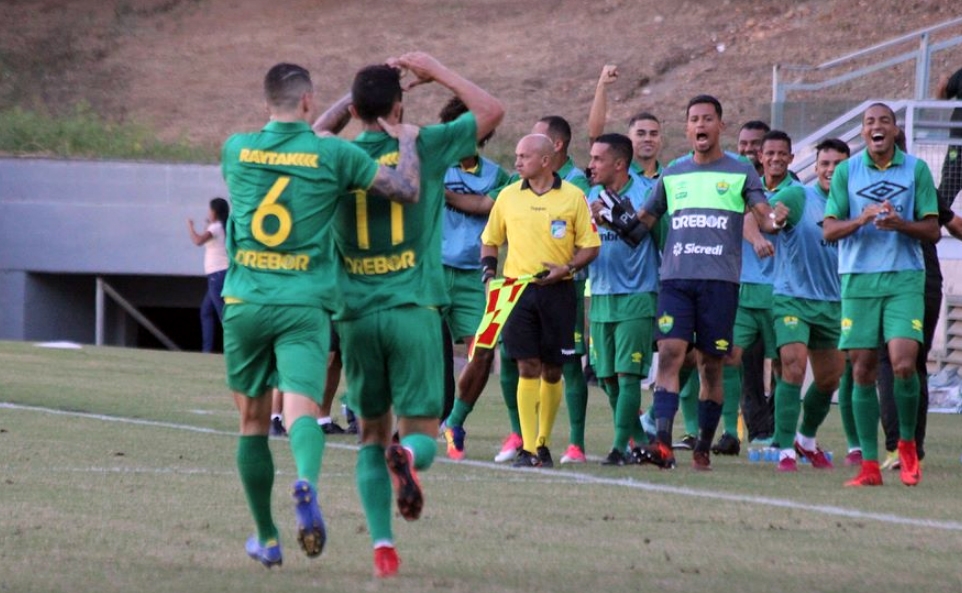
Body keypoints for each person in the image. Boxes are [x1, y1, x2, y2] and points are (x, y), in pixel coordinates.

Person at [220, 62, 421, 569]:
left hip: (245, 300)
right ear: (308, 100)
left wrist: (341, 109)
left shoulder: (236, 149)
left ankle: (267, 536)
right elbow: (403, 188)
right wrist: (411, 141)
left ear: (267, 99)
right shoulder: (332, 154)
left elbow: (300, 137)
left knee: (251, 421)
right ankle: (305, 478)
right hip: (303, 303)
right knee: (301, 408)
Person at [315, 53, 503, 577]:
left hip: (355, 316)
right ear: (400, 105)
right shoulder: (424, 143)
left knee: (370, 437)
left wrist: (356, 103)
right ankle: (411, 461)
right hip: (414, 308)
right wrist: (434, 71)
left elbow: (315, 129)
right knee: (420, 431)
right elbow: (491, 109)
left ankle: (382, 548)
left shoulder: (333, 152)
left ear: (355, 107)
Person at [632, 94, 788, 471]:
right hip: (676, 280)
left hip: (720, 283)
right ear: (686, 129)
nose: (700, 125)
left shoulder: (740, 172)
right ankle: (663, 444)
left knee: (711, 365)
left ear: (720, 126)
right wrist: (608, 220)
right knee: (670, 353)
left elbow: (764, 217)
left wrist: (776, 219)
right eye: (693, 120)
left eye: (707, 119)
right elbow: (642, 225)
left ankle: (703, 446)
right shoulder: (673, 173)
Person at [822, 102, 939, 487]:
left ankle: (906, 445)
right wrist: (861, 218)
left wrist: (899, 224)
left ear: (893, 130)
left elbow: (932, 230)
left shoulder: (916, 169)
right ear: (862, 132)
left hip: (904, 277)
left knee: (904, 363)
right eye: (870, 122)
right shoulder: (846, 172)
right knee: (862, 369)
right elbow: (829, 230)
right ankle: (869, 466)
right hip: (857, 280)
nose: (877, 127)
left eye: (884, 121)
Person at [482, 133, 600, 468]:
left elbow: (591, 246)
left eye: (524, 156)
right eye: (516, 155)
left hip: (559, 291)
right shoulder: (507, 196)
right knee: (526, 365)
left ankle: (544, 443)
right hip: (518, 290)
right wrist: (489, 274)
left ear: (545, 161)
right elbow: (490, 240)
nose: (516, 161)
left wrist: (568, 267)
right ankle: (529, 447)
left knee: (553, 369)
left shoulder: (573, 197)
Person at [714, 129, 801, 456]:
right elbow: (748, 218)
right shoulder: (747, 189)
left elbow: (772, 220)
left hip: (781, 291)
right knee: (729, 356)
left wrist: (762, 231)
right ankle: (729, 432)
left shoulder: (797, 192)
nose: (775, 159)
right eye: (770, 154)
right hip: (743, 288)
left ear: (791, 159)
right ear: (760, 159)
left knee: (782, 363)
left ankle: (780, 435)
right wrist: (756, 237)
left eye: (782, 154)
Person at [767, 138, 850, 472]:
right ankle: (785, 450)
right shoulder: (798, 195)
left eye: (837, 164)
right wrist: (771, 224)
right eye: (824, 164)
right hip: (792, 297)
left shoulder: (853, 204)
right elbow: (762, 218)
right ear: (815, 168)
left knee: (830, 379)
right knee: (793, 365)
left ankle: (806, 439)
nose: (830, 170)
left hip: (833, 302)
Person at [437, 96, 509, 461]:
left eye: (474, 125)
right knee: (420, 349)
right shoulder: (433, 162)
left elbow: (486, 206)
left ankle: (455, 420)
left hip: (472, 276)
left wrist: (441, 191)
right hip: (431, 271)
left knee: (482, 350)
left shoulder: (497, 175)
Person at [585, 133, 660, 465]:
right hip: (600, 293)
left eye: (598, 159)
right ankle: (640, 441)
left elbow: (658, 238)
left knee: (628, 374)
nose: (591, 165)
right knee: (606, 377)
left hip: (637, 294)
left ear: (619, 163)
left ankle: (618, 448)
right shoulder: (591, 195)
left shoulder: (647, 194)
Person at [186, 197, 230, 353]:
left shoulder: (216, 227)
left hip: (216, 275)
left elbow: (198, 241)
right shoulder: (221, 226)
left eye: (210, 210)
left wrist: (190, 227)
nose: (208, 212)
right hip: (219, 274)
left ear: (214, 212)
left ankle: (234, 349)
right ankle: (207, 351)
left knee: (223, 314)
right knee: (206, 311)